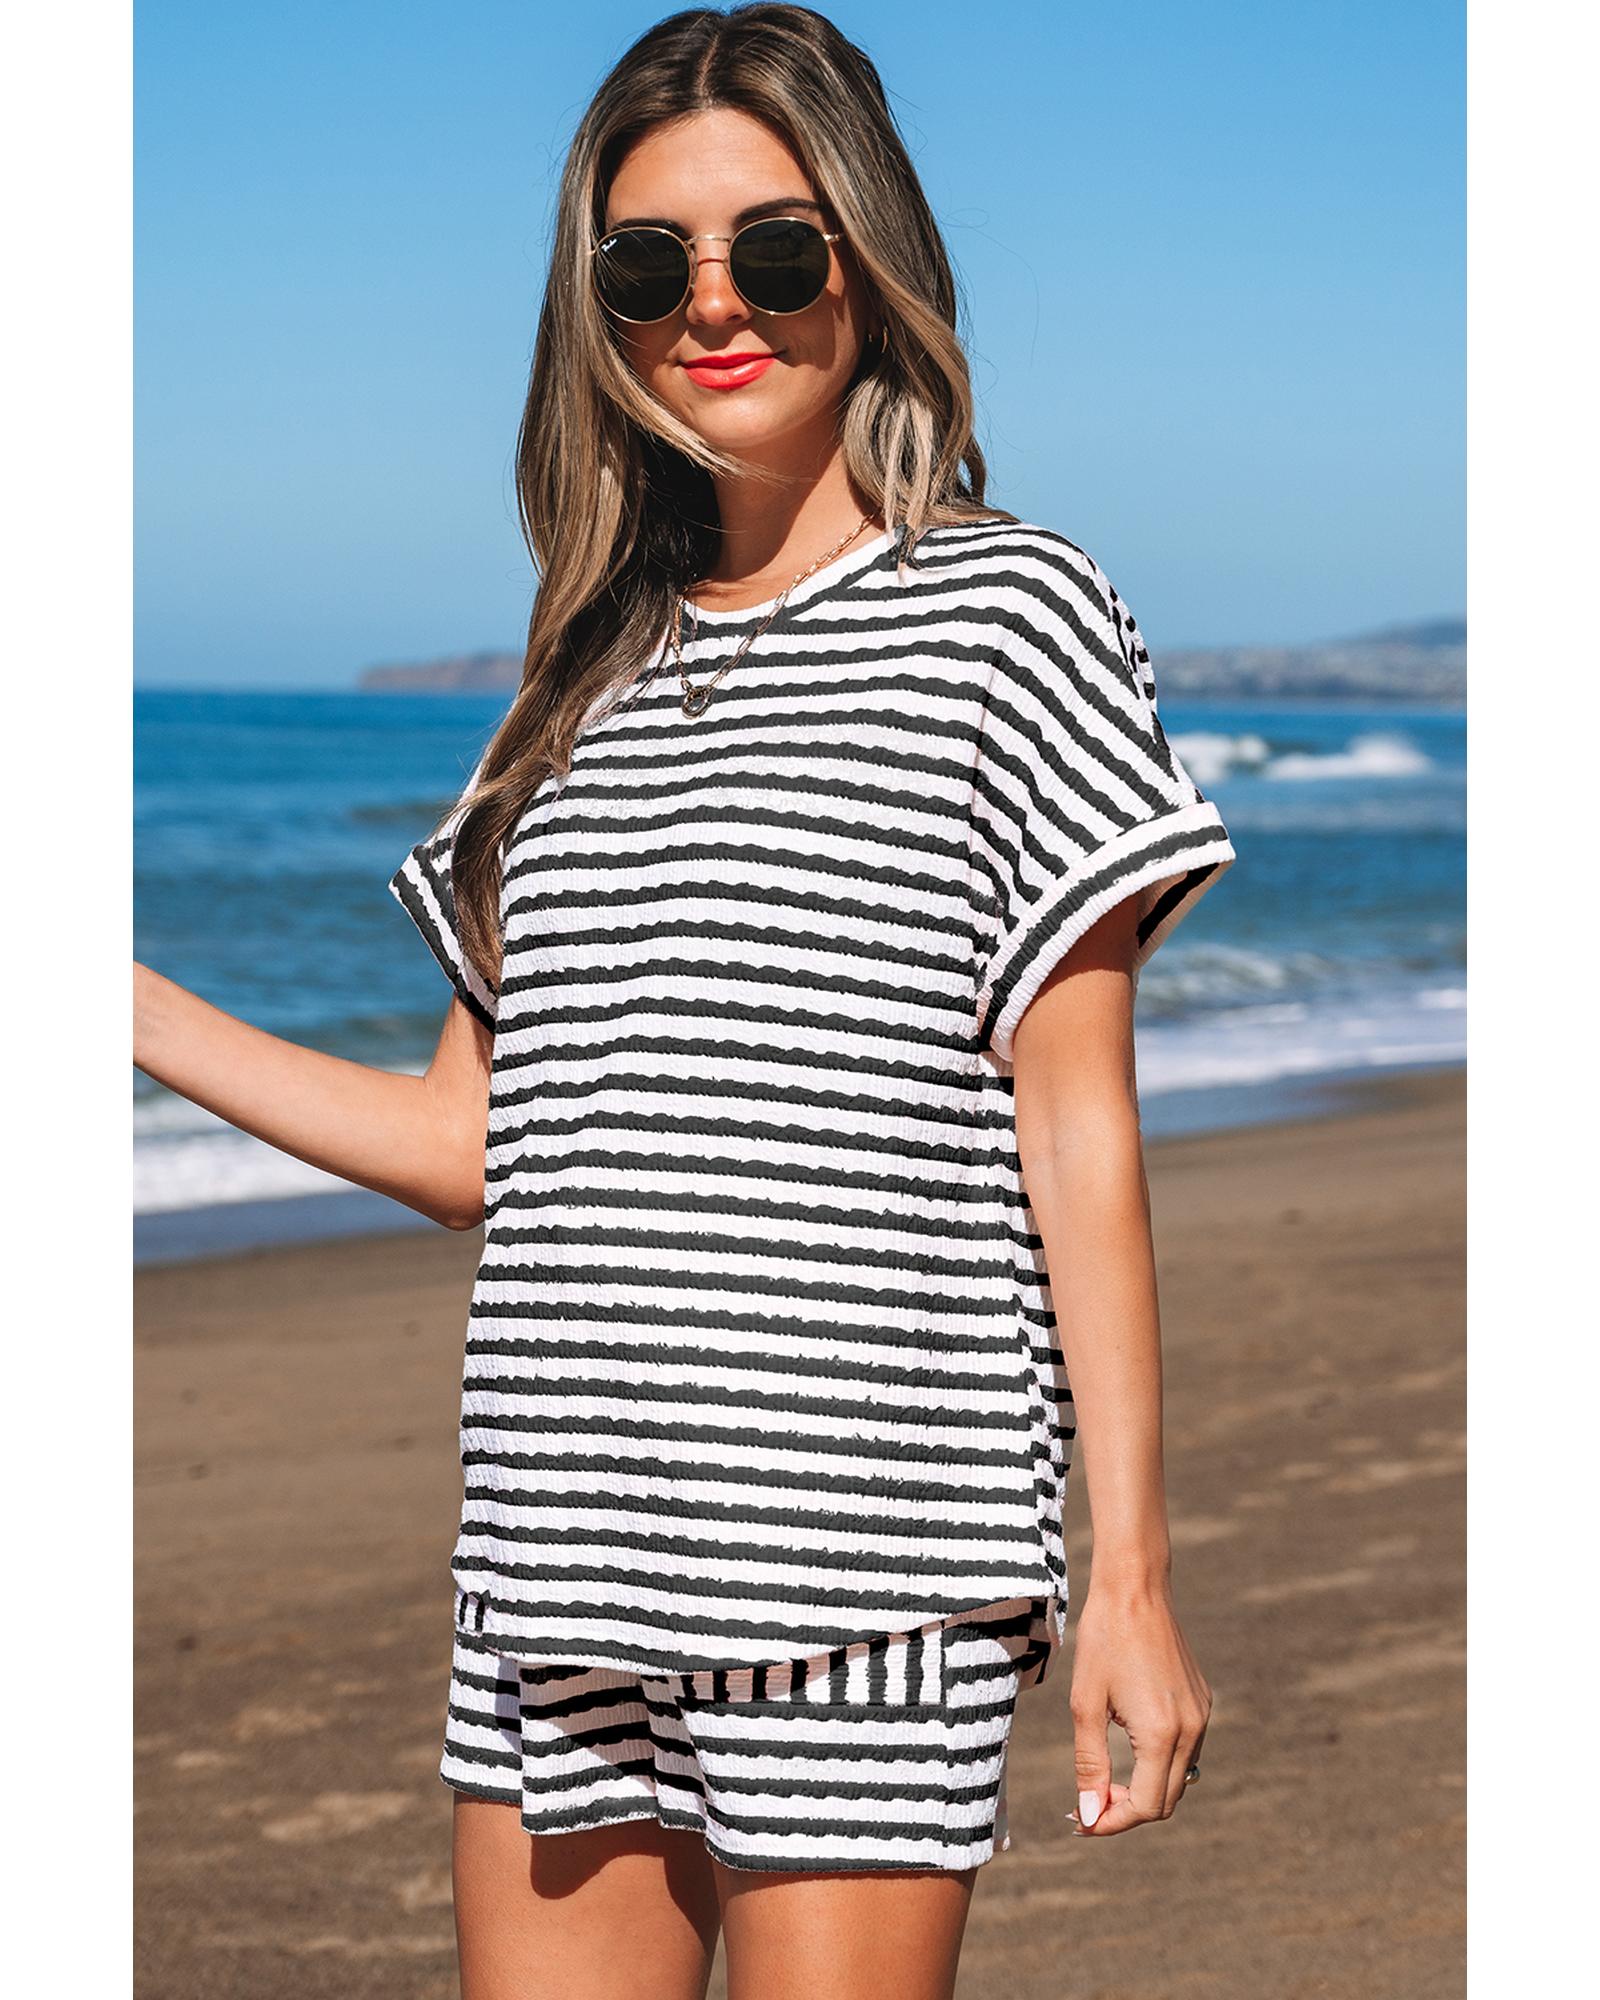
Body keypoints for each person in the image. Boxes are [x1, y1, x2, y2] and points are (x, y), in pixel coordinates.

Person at [134, 5, 1238, 1994]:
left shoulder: (1011, 615)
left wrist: (1130, 1578)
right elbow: (472, 1144)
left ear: (868, 262)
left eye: (775, 249)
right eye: (649, 266)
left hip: (863, 1577)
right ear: (598, 307)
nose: (712, 305)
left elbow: (1075, 1125)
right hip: (549, 1577)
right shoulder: (571, 679)